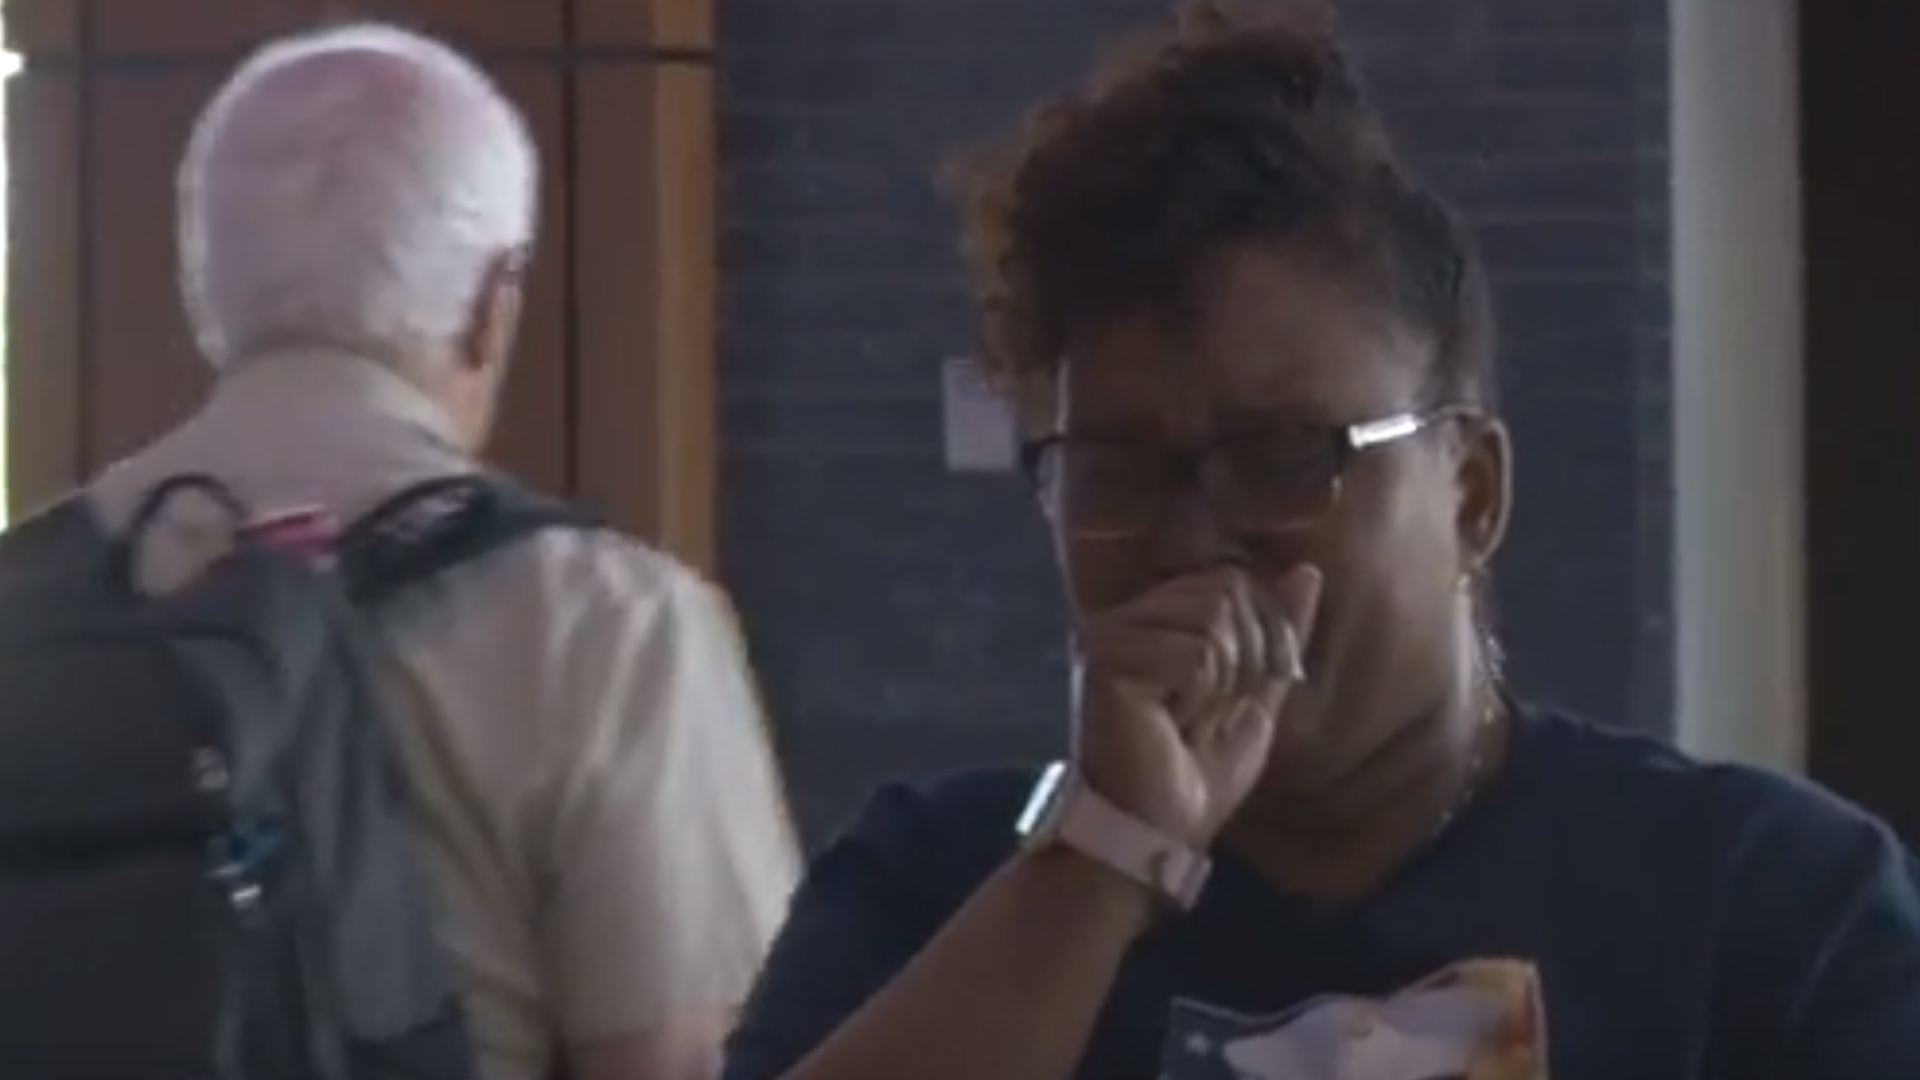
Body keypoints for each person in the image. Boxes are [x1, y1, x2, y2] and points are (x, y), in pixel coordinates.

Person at [720, 4, 1920, 1079]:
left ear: (1472, 494)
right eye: (1117, 470)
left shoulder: (1764, 907)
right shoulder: (934, 887)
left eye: (1288, 455)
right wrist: (1102, 857)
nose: (1195, 543)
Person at [86, 24, 799, 1080]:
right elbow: (693, 1062)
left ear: (208, 295)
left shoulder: (36, 596)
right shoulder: (604, 627)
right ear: (491, 304)